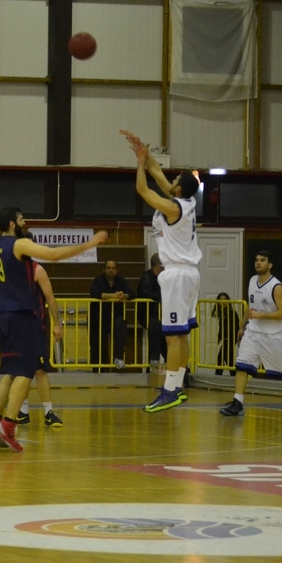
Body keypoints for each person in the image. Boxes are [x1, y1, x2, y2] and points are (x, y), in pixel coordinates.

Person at [0, 206, 108, 451]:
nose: (24, 221)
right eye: (21, 218)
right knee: (27, 369)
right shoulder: (18, 244)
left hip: (1, 315)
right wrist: (89, 244)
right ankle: (8, 424)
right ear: (12, 224)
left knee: (11, 370)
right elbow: (53, 254)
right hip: (20, 314)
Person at [121, 130, 200, 413]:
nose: (172, 181)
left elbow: (143, 190)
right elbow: (157, 173)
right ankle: (177, 387)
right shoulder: (185, 202)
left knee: (172, 336)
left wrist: (139, 164)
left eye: (175, 180)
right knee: (182, 334)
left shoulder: (172, 207)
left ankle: (170, 390)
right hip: (187, 273)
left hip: (177, 274)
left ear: (178, 190)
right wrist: (145, 155)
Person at [219, 251, 282, 418]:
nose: (258, 262)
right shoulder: (252, 281)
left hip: (273, 336)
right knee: (242, 366)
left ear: (270, 265)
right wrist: (241, 326)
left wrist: (262, 315)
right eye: (257, 260)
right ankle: (237, 402)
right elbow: (250, 307)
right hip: (253, 333)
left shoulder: (276, 286)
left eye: (262, 260)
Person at [17, 236, 64, 428]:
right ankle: (22, 411)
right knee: (20, 370)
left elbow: (50, 298)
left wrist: (57, 324)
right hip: (17, 326)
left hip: (36, 326)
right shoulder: (12, 270)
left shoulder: (37, 269)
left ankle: (48, 412)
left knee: (40, 370)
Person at [89, 260, 135, 370]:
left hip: (115, 316)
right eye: (108, 268)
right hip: (98, 318)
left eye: (113, 268)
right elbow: (95, 293)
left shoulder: (121, 280)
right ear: (104, 270)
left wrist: (125, 296)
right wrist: (113, 296)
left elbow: (132, 293)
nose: (111, 270)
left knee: (121, 324)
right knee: (97, 346)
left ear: (117, 270)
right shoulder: (98, 280)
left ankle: (118, 358)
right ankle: (97, 371)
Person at [136, 253, 167, 368]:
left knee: (166, 336)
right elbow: (146, 293)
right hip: (148, 313)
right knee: (155, 326)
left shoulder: (164, 277)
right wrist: (163, 297)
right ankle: (154, 360)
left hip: (161, 314)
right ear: (160, 264)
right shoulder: (147, 277)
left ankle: (171, 364)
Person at [212, 292, 239, 376]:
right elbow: (222, 327)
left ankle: (218, 375)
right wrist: (220, 337)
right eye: (221, 300)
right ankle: (235, 375)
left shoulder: (231, 312)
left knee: (221, 358)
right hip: (226, 338)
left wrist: (233, 338)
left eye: (225, 299)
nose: (223, 302)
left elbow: (235, 326)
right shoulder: (222, 312)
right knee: (228, 359)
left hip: (230, 338)